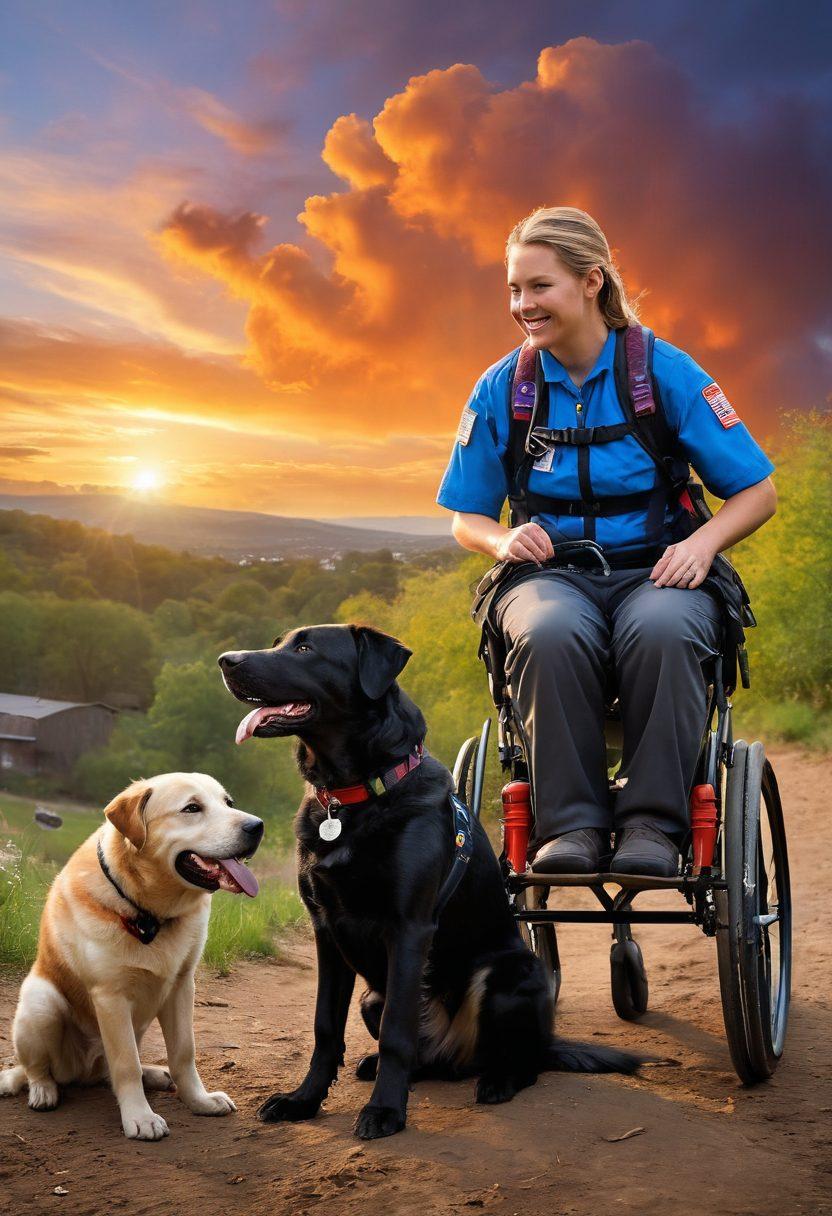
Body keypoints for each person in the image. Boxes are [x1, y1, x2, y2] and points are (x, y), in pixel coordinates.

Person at [436, 207, 776, 878]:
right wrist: (503, 540)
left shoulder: (666, 374)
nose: (522, 305)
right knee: (549, 632)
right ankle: (573, 829)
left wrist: (703, 546)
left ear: (591, 282)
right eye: (514, 289)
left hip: (661, 572)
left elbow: (757, 491)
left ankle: (654, 823)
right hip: (549, 579)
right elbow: (464, 517)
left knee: (664, 630)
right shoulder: (505, 388)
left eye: (539, 287)